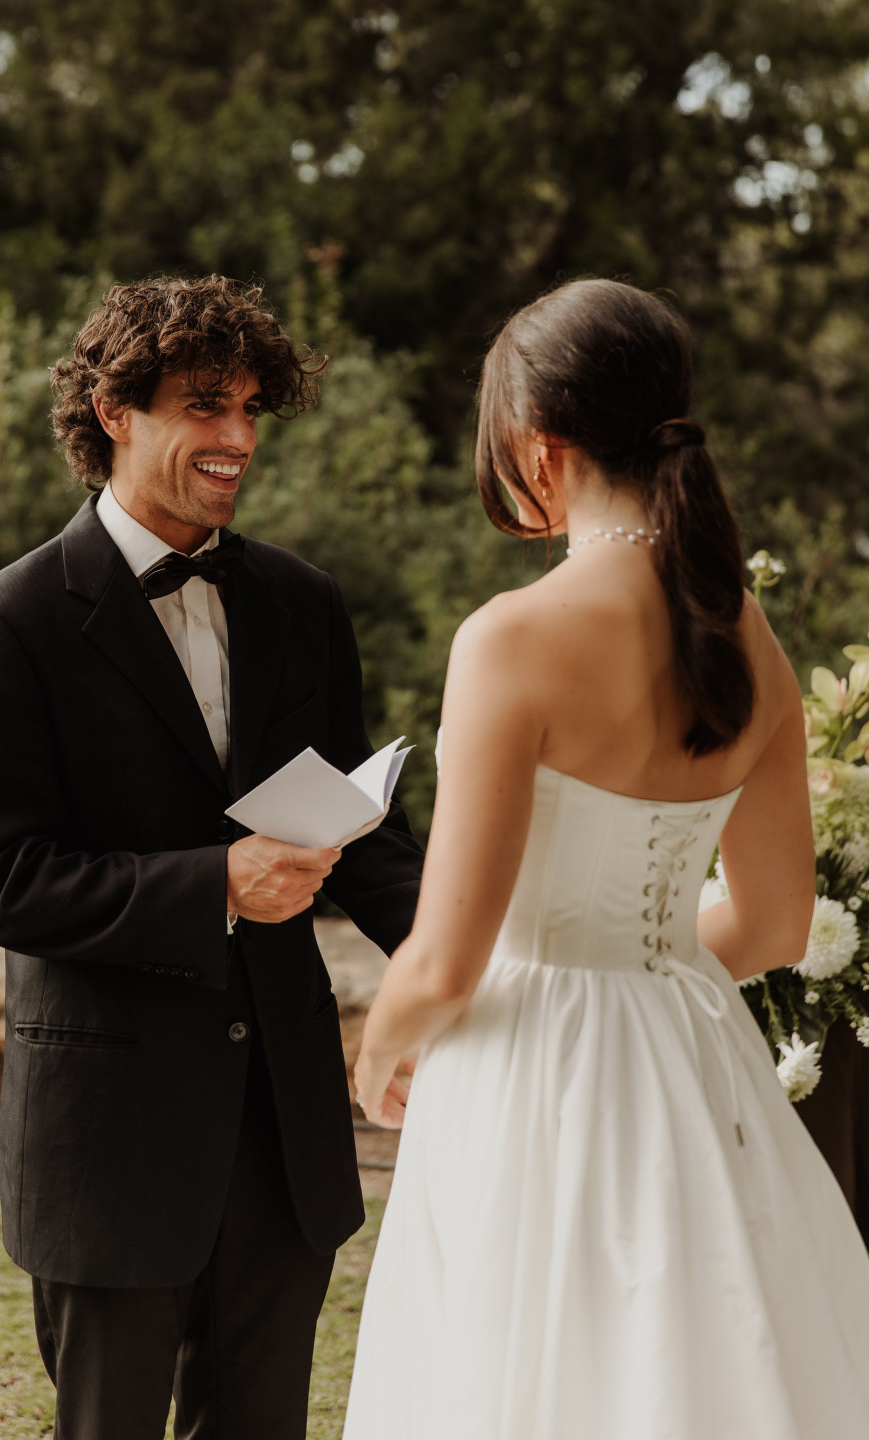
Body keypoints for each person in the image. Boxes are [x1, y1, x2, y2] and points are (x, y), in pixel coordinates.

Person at [347, 278, 869, 1439]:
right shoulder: (745, 629)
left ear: (539, 444)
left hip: (526, 1071)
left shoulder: (512, 639)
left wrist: (377, 1050)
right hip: (691, 1060)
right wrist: (638, 976)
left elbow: (445, 956)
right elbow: (779, 925)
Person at [0, 274, 422, 1440]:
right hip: (110, 1138)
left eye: (252, 408)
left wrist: (476, 953)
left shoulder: (304, 603)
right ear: (114, 409)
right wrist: (219, 885)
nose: (239, 438)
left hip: (285, 1127)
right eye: (207, 405)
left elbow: (367, 835)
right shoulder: (0, 628)